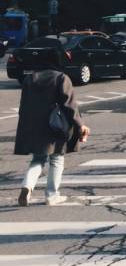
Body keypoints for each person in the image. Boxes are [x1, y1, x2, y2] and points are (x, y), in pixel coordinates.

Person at [15, 69, 90, 206]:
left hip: (33, 124)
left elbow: (23, 104)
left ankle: (27, 185)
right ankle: (51, 195)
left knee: (38, 159)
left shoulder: (29, 79)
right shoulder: (61, 77)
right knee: (57, 158)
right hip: (55, 124)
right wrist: (80, 124)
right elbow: (69, 104)